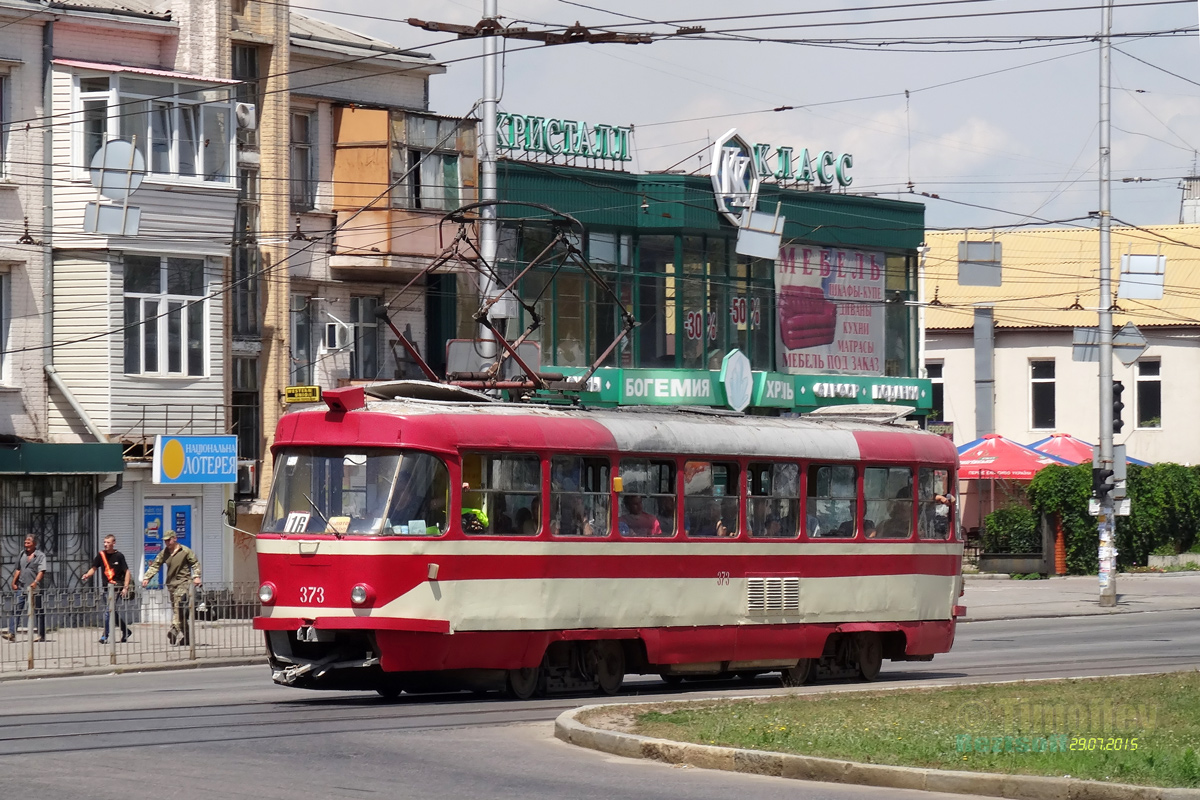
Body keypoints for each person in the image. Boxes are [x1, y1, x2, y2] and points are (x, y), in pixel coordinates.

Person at [141, 531, 202, 646]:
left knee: (178, 607)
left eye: (169, 540)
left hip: (184, 583)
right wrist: (147, 578)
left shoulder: (185, 551)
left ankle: (174, 630)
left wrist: (197, 576)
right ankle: (187, 638)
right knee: (179, 611)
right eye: (165, 540)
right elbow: (155, 565)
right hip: (171, 585)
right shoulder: (164, 553)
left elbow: (195, 563)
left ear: (175, 538)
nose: (167, 543)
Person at [81, 534, 132, 643]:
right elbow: (93, 568)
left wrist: (125, 587)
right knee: (112, 611)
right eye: (104, 542)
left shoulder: (119, 556)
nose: (105, 545)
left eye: (108, 542)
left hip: (117, 586)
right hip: (106, 588)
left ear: (114, 543)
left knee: (108, 611)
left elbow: (127, 572)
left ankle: (105, 635)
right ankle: (126, 630)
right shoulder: (101, 555)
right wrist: (87, 575)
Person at [5, 536, 46, 642]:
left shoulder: (40, 556)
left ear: (34, 544)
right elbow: (18, 569)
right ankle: (12, 633)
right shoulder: (22, 554)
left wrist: (35, 582)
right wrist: (14, 582)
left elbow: (42, 571)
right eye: (25, 543)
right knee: (17, 609)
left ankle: (41, 635)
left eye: (28, 543)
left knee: (38, 611)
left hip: (34, 587)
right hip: (22, 586)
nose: (26, 545)